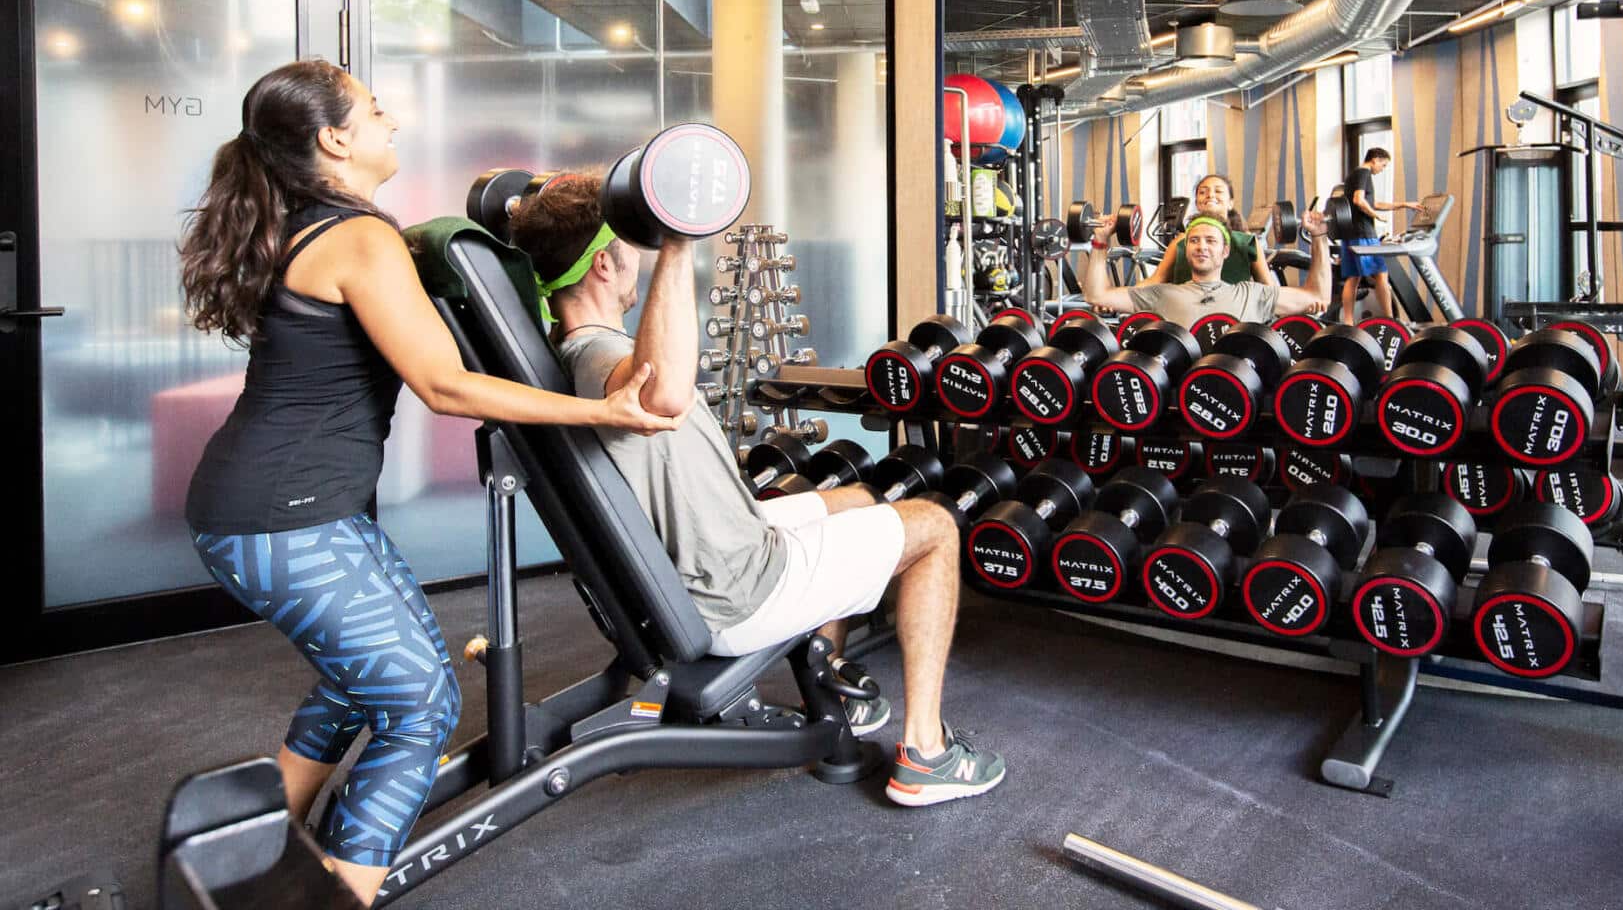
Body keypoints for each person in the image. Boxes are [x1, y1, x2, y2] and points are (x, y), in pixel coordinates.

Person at [178, 61, 681, 906]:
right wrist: (603, 413)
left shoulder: (318, 224)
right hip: (281, 521)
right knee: (419, 705)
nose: (393, 123)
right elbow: (442, 385)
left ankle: (263, 847)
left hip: (288, 510)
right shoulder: (356, 238)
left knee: (357, 685)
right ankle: (342, 889)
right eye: (375, 112)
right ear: (334, 139)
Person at [510, 175, 1006, 808]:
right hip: (737, 586)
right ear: (606, 263)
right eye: (630, 242)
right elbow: (659, 395)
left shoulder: (573, 351)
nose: (638, 253)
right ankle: (927, 754)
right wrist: (679, 242)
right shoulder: (599, 357)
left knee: (855, 497)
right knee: (935, 527)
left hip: (732, 541)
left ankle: (830, 683)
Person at [1079, 210, 1331, 329]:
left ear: (1225, 251)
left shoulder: (1253, 294)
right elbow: (1097, 295)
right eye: (1194, 240)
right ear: (1185, 249)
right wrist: (1100, 240)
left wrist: (1319, 237)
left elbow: (1318, 296)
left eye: (1211, 241)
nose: (1201, 247)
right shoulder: (1163, 294)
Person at [1140, 173, 1275, 287]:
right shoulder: (1179, 242)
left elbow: (1268, 288)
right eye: (1203, 192)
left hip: (1235, 315)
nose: (1210, 195)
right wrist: (1122, 295)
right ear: (1198, 203)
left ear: (1230, 203)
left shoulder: (1247, 243)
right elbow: (1156, 280)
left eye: (1218, 191)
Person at [1338, 147, 1423, 325]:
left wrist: (1404, 204)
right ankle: (1390, 321)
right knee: (1381, 274)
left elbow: (1373, 203)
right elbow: (1359, 200)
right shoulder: (1364, 173)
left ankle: (1347, 323)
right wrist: (1375, 216)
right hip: (1363, 232)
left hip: (1350, 233)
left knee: (1353, 278)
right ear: (1375, 159)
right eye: (1383, 165)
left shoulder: (1354, 174)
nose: (1381, 169)